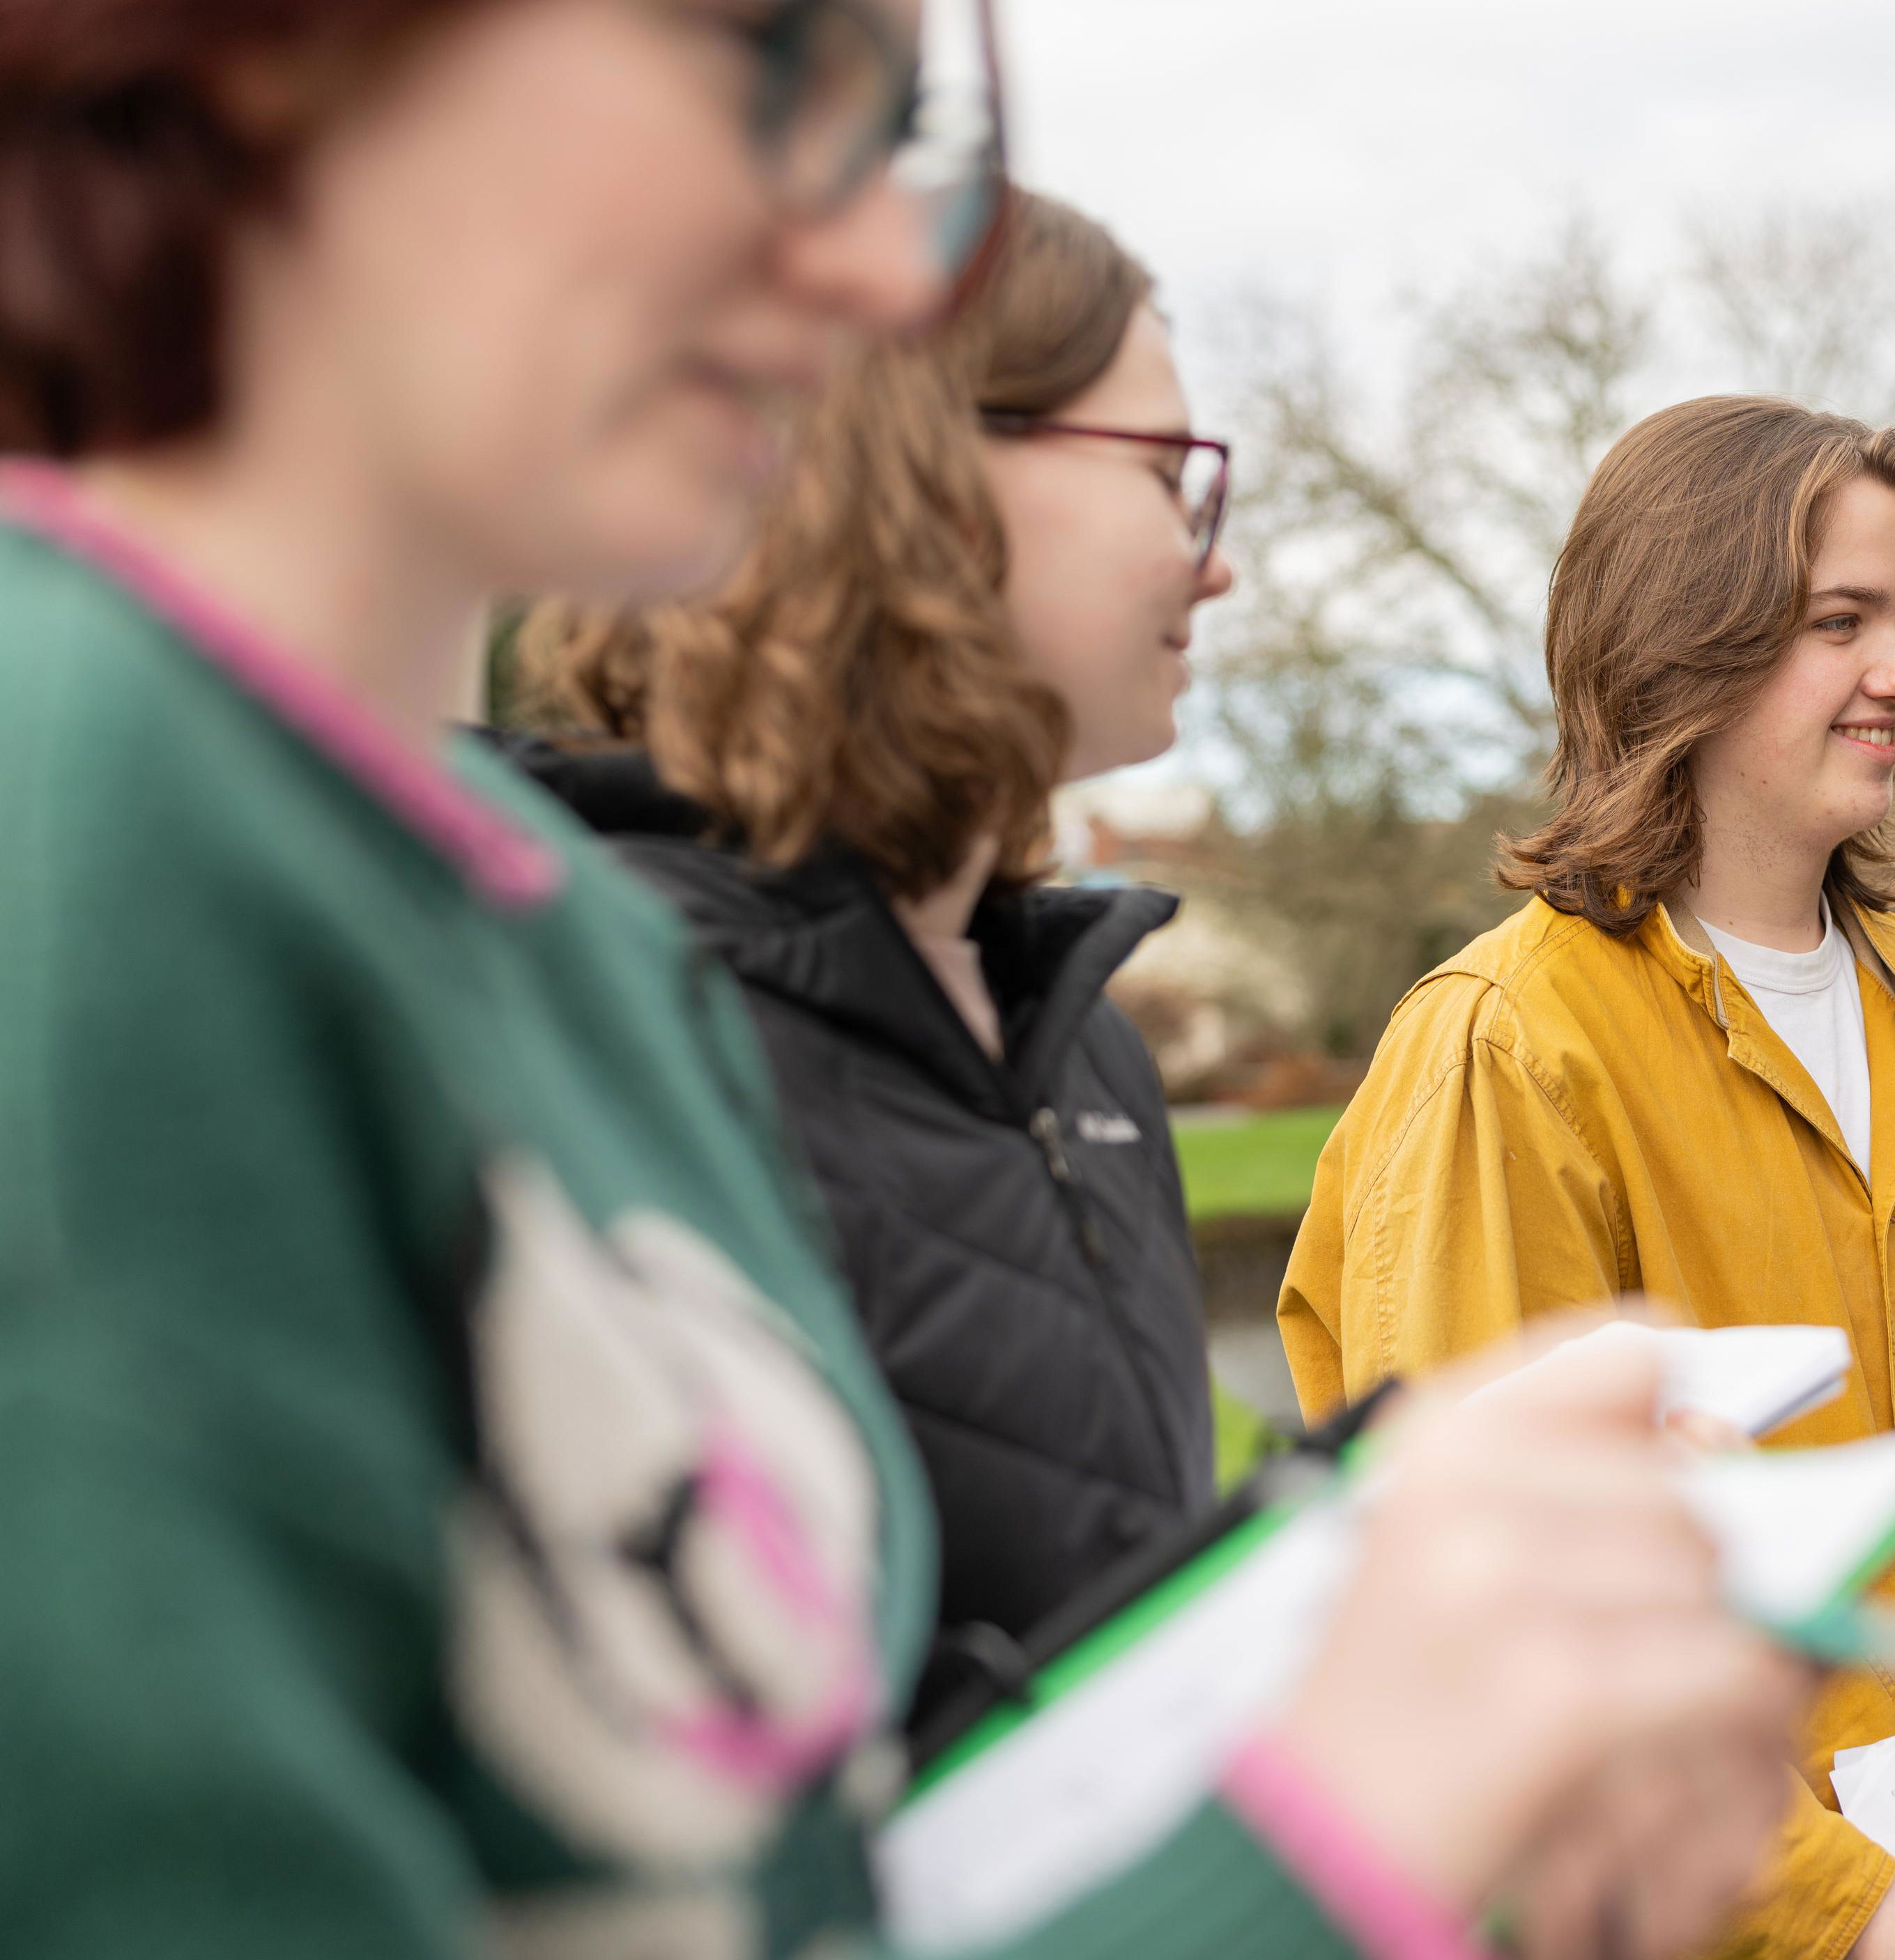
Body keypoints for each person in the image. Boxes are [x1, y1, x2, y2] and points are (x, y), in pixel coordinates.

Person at [0, 5, 1801, 1955]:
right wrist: (1326, 1845)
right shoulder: (83, 841)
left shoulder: (572, 954)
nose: (877, 266)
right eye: (766, 65)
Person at [1278, 396, 1895, 1960]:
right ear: (1678, 647)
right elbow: (1492, 1585)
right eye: (1837, 623)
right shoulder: (1509, 1050)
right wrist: (1828, 1909)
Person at [509, 188, 1229, 1725]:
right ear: (915, 470)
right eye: (1170, 474)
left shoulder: (1080, 1036)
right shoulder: (601, 1024)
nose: (1209, 558)